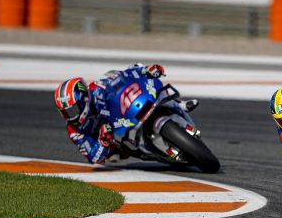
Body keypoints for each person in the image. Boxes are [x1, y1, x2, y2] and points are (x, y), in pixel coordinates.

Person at [54, 63, 198, 164]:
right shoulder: (74, 131)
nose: (69, 116)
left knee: (123, 72)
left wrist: (146, 70)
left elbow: (122, 76)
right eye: (65, 112)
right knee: (116, 154)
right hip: (114, 139)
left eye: (71, 110)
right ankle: (153, 152)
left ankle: (179, 104)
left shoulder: (97, 88)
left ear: (84, 100)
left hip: (124, 113)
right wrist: (103, 142)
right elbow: (93, 157)